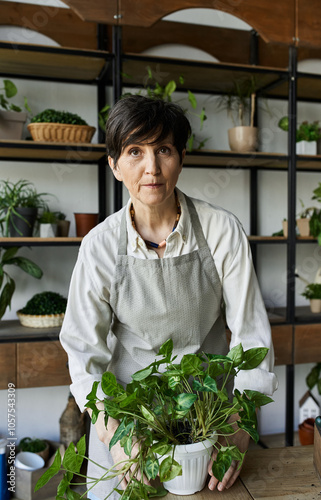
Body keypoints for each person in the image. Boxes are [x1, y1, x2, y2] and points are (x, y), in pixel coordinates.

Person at [60, 95, 278, 499]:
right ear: (114, 165)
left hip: (208, 426)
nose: (151, 168)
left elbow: (252, 337)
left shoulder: (221, 231)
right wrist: (117, 437)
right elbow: (83, 356)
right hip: (128, 427)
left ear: (181, 156)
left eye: (163, 150)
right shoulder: (99, 246)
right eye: (134, 152)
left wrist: (238, 430)